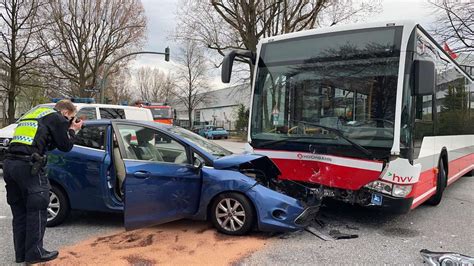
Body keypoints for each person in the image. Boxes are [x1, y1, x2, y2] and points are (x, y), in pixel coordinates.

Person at [3, 100, 83, 264]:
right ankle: (34, 253)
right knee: (37, 209)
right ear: (66, 113)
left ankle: (21, 254)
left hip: (9, 165)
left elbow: (45, 141)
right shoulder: (58, 118)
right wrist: (73, 130)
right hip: (29, 166)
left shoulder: (33, 115)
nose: (69, 121)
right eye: (70, 118)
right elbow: (65, 146)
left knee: (20, 212)